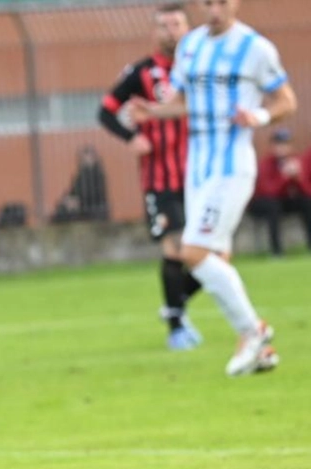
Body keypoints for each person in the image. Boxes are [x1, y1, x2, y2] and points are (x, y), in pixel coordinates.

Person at [130, 0, 297, 376]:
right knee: (216, 259)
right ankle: (258, 350)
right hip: (198, 168)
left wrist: (260, 115)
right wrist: (152, 113)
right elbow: (186, 102)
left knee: (193, 251)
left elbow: (287, 100)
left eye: (222, 2)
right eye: (208, 3)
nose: (215, 9)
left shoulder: (255, 48)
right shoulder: (192, 46)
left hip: (231, 165)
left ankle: (252, 330)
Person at [98, 2, 202, 350]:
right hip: (161, 179)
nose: (170, 31)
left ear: (189, 28)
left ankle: (175, 305)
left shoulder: (204, 67)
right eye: (164, 25)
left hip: (203, 175)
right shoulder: (141, 73)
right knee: (174, 247)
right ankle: (176, 327)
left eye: (176, 24)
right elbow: (106, 111)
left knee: (214, 254)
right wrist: (132, 137)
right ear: (154, 31)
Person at [250, 127, 311, 256]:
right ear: (272, 146)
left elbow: (306, 191)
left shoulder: (295, 161)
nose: (282, 147)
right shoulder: (265, 164)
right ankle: (277, 251)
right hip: (260, 203)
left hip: (281, 201)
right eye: (278, 144)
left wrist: (297, 178)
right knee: (273, 206)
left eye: (285, 144)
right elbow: (269, 192)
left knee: (306, 202)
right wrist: (284, 176)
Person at [51, 145, 110, 223]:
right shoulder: (80, 175)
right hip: (81, 208)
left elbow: (95, 195)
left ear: (94, 158)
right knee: (62, 209)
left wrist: (79, 202)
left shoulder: (98, 175)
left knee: (65, 212)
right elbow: (72, 191)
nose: (84, 160)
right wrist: (66, 199)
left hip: (93, 209)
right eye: (82, 158)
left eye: (86, 158)